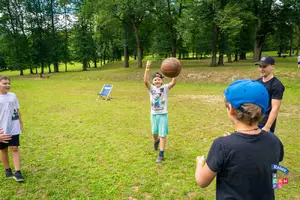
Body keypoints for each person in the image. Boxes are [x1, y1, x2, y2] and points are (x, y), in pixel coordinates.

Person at [195, 79, 284, 200]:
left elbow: (202, 181)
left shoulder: (222, 145)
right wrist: (232, 144)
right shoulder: (274, 141)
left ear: (231, 109)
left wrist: (200, 163)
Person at [144, 61, 176, 163]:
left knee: (162, 134)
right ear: (153, 81)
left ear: (162, 81)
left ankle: (161, 154)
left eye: (159, 79)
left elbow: (173, 82)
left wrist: (175, 72)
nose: (157, 81)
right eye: (155, 79)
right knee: (154, 133)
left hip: (163, 114)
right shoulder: (151, 88)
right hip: (153, 114)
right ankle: (156, 141)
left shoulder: (165, 88)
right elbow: (145, 81)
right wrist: (147, 69)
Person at [0, 75, 24, 182]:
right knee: (3, 149)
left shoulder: (13, 95)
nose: (8, 85)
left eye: (8, 83)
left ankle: (18, 172)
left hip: (14, 127)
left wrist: (20, 123)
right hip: (2, 129)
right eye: (4, 83)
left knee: (14, 148)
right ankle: (7, 169)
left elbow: (17, 110)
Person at [255, 56, 285, 133]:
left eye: (264, 66)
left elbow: (275, 108)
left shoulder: (276, 85)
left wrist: (267, 126)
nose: (261, 69)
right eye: (260, 66)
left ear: (272, 67)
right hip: (254, 120)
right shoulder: (257, 82)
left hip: (265, 123)